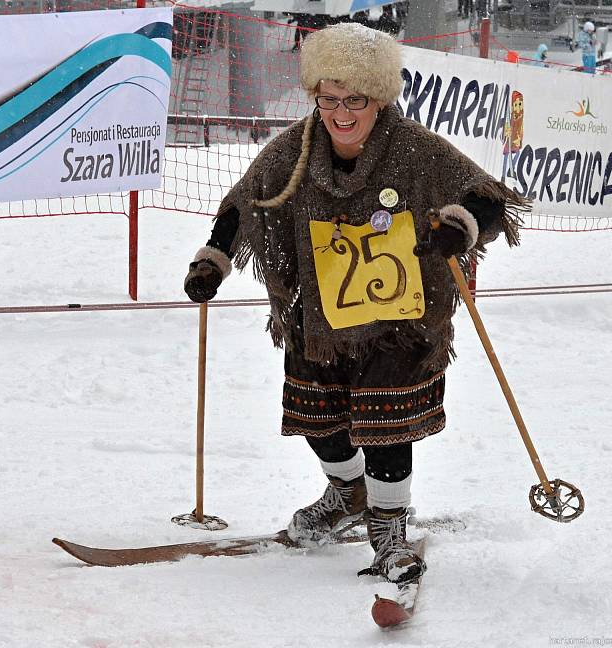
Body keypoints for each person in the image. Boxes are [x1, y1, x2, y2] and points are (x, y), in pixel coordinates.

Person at [183, 23, 527, 584]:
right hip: (321, 314)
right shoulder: (292, 150)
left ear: (379, 99)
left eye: (356, 101)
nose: (342, 113)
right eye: (330, 100)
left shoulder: (417, 148)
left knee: (385, 423)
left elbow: (486, 198)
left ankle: (389, 529)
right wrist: (213, 261)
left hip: (401, 317)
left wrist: (460, 230)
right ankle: (348, 493)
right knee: (316, 419)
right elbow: (244, 204)